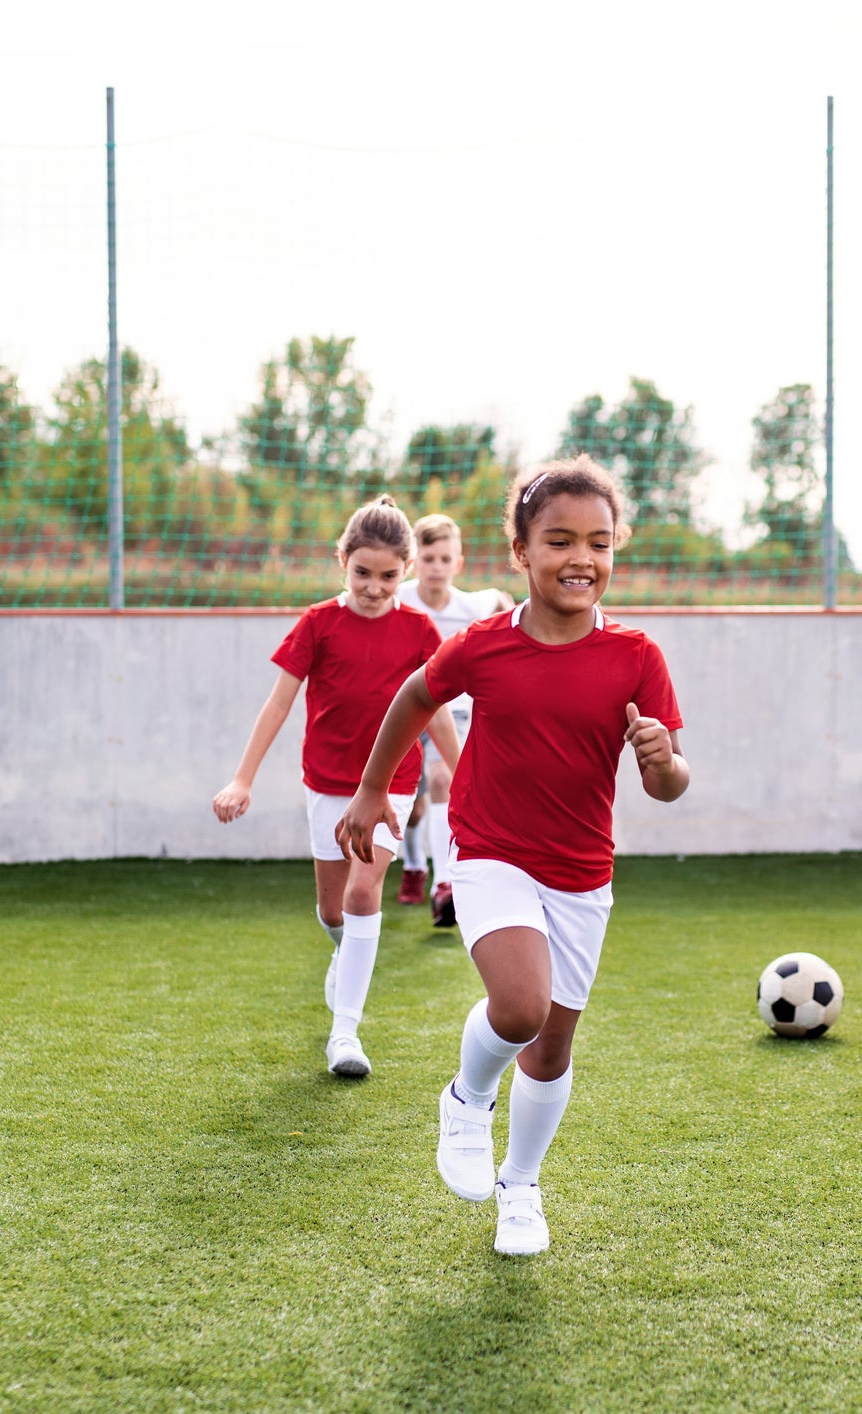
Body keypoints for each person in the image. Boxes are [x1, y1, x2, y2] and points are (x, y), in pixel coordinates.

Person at [338, 456, 689, 1256]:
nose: (581, 559)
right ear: (520, 553)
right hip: (491, 851)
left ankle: (520, 1188)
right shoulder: (483, 645)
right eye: (559, 540)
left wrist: (661, 761)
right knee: (521, 1008)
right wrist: (368, 792)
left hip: (581, 872)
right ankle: (466, 1098)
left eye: (599, 543)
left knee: (554, 1044)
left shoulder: (636, 656)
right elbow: (413, 698)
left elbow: (670, 785)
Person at [212, 495, 460, 1079]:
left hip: (393, 786)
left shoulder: (421, 631)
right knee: (332, 910)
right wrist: (242, 778)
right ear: (341, 561)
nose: (375, 587)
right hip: (326, 784)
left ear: (406, 570)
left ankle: (345, 1031)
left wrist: (469, 774)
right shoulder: (318, 623)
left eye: (389, 576)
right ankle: (342, 949)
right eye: (362, 573)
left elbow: (440, 714)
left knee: (361, 894)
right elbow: (278, 704)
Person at [392, 514, 515, 925]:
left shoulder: (471, 605)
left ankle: (444, 887)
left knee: (445, 778)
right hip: (407, 709)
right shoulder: (399, 600)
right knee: (412, 808)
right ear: (414, 562)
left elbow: (500, 601)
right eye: (428, 558)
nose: (437, 567)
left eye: (446, 559)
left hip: (454, 711)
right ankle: (413, 865)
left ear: (457, 564)